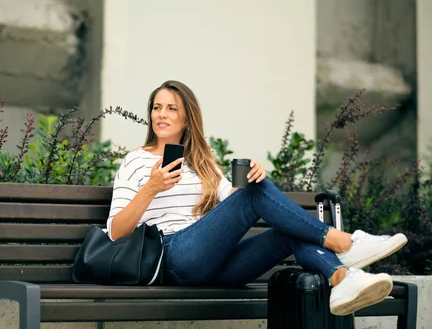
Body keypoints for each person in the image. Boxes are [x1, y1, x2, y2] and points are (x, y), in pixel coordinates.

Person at [107, 80, 407, 316]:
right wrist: (150, 188)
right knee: (255, 194)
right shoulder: (136, 161)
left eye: (172, 108)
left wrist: (253, 175)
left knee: (285, 231)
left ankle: (341, 279)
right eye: (157, 107)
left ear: (187, 118)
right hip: (172, 256)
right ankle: (344, 243)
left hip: (213, 264)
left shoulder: (203, 162)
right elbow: (116, 232)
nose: (162, 114)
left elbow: (233, 202)